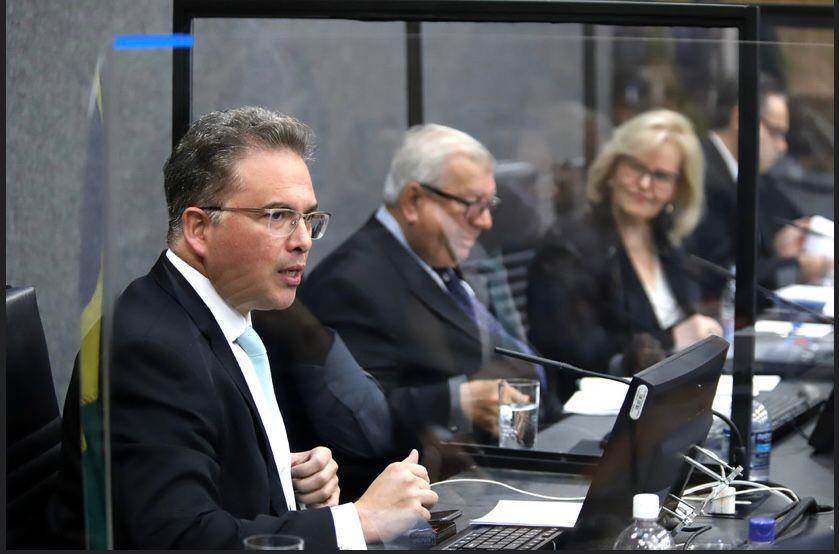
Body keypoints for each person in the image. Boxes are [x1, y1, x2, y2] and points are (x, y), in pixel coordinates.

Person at [49, 107, 436, 549]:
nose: (302, 240)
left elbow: (209, 484)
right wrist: (359, 521)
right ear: (199, 229)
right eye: (277, 216)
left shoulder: (227, 317)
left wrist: (284, 482)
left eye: (308, 218)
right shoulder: (148, 351)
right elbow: (181, 539)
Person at [300, 124, 553, 453]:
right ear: (413, 201)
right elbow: (358, 417)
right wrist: (455, 401)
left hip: (520, 441)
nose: (485, 221)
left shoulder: (440, 254)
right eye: (472, 204)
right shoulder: (350, 283)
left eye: (488, 204)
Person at [527, 109, 723, 377]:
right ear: (612, 168)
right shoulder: (568, 245)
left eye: (661, 176)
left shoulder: (670, 241)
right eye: (636, 167)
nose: (644, 184)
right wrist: (671, 340)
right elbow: (577, 353)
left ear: (677, 189)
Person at [685, 74, 832, 306]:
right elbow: (720, 272)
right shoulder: (702, 172)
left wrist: (789, 237)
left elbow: (793, 222)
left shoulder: (754, 176)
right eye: (776, 132)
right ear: (741, 119)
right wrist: (797, 266)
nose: (782, 146)